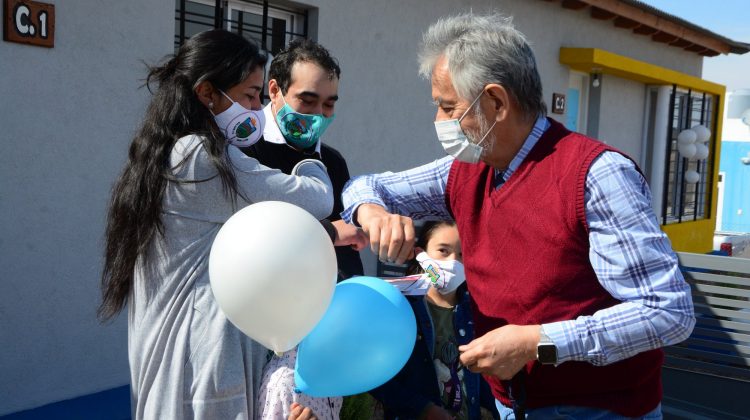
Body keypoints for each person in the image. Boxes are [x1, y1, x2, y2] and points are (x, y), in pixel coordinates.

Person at [342, 12, 695, 419]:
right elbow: (368, 185)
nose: (438, 121)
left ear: (496, 102)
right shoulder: (469, 168)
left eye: (447, 106)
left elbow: (668, 312)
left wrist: (538, 342)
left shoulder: (596, 175)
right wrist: (372, 213)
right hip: (510, 403)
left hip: (598, 408)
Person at [99, 30, 353, 419]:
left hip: (183, 359)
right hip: (205, 361)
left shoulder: (165, 151)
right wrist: (311, 160)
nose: (257, 108)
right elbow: (316, 197)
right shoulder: (200, 157)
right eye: (251, 96)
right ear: (207, 93)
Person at [242, 38, 365, 280]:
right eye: (307, 101)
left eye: (329, 104)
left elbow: (348, 249)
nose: (318, 114)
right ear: (275, 91)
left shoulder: (333, 162)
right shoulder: (242, 146)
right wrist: (327, 232)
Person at [370, 221, 498, 420]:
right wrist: (423, 409)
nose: (454, 261)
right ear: (421, 254)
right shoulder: (399, 307)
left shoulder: (477, 312)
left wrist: (488, 411)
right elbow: (377, 376)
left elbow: (485, 373)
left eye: (462, 254)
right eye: (443, 251)